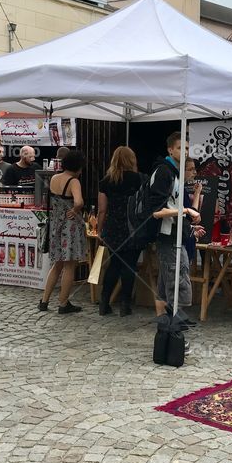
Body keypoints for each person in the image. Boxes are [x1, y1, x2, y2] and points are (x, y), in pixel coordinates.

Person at [151, 132, 200, 324]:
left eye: (187, 148)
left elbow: (172, 206)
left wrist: (188, 225)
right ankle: (173, 327)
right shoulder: (164, 172)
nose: (185, 152)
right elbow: (156, 211)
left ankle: (168, 324)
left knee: (167, 282)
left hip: (175, 234)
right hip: (167, 235)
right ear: (170, 150)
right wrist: (186, 210)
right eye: (180, 148)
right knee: (175, 281)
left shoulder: (174, 173)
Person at [39, 150, 88, 313]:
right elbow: (79, 201)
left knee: (57, 265)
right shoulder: (73, 181)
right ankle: (63, 303)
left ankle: (44, 301)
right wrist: (75, 210)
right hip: (69, 226)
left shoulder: (54, 178)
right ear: (78, 167)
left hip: (56, 225)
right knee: (69, 265)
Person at [97, 146, 143, 317]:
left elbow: (102, 210)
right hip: (133, 227)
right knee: (129, 266)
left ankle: (104, 303)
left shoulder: (106, 181)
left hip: (113, 228)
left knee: (114, 265)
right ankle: (125, 305)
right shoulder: (139, 179)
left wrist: (99, 230)